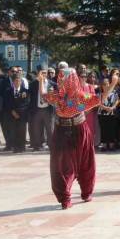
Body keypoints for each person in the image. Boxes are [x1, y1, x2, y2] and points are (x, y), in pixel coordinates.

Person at [39, 66, 101, 209]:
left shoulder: (80, 96)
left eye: (64, 78)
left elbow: (99, 99)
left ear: (71, 80)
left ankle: (87, 192)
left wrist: (112, 84)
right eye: (60, 77)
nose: (60, 80)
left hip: (80, 130)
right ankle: (65, 198)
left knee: (85, 163)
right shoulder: (57, 96)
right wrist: (41, 81)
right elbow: (43, 95)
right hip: (61, 131)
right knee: (60, 166)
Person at [28, 65, 54, 151]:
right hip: (37, 110)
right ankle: (37, 145)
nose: (44, 74)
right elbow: (29, 95)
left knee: (50, 129)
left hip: (48, 109)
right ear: (38, 73)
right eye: (42, 73)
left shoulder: (51, 83)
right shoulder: (33, 84)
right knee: (36, 128)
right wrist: (37, 80)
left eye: (45, 73)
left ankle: (51, 145)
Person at [5, 71, 30, 153]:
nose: (17, 82)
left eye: (19, 80)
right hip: (12, 114)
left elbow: (27, 103)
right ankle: (15, 147)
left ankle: (22, 147)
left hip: (22, 114)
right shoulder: (8, 91)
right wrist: (12, 112)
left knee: (22, 131)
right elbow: (7, 103)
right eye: (16, 80)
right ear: (13, 81)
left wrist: (20, 112)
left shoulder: (25, 91)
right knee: (14, 131)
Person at [97, 72, 120, 151]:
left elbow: (117, 101)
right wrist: (105, 108)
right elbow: (98, 104)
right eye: (104, 84)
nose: (106, 86)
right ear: (101, 86)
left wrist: (113, 107)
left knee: (112, 129)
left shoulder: (114, 93)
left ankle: (111, 145)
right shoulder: (99, 94)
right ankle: (104, 145)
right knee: (104, 129)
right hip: (102, 114)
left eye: (107, 83)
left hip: (112, 113)